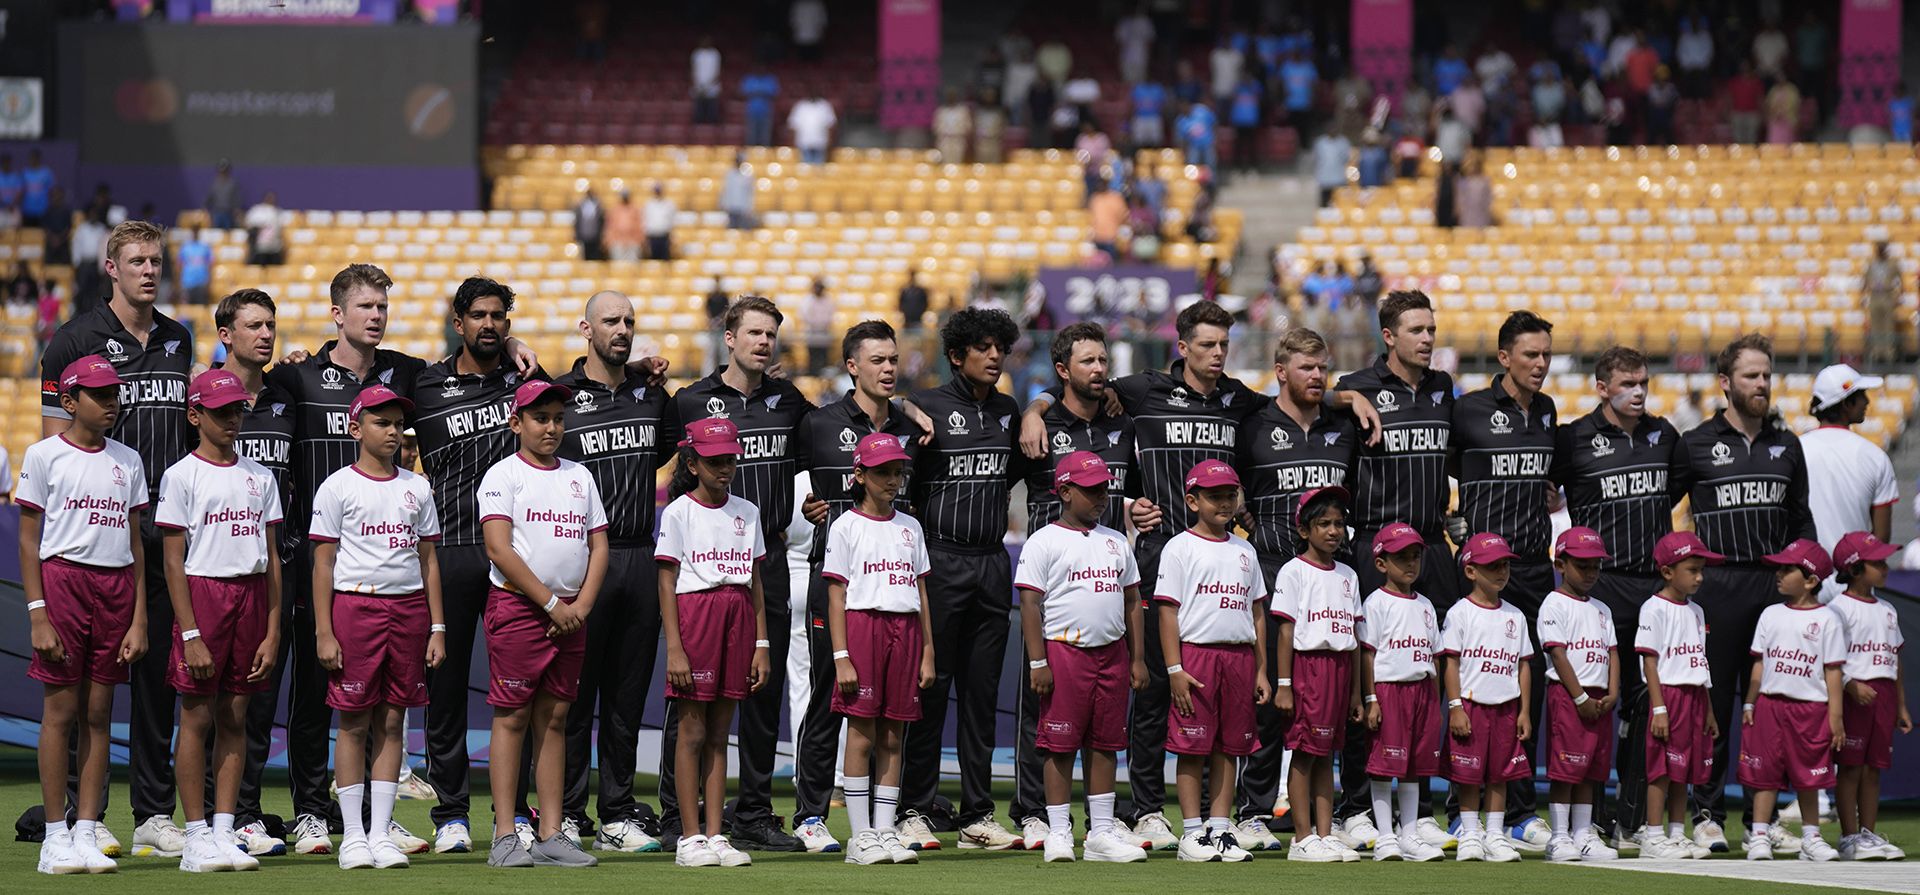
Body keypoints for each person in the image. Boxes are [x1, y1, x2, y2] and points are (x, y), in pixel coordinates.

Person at [1020, 299, 1258, 848]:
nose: (1218, 353)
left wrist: (1346, 394)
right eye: (1207, 344)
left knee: (1209, 693)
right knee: (1150, 694)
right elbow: (1077, 384)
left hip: (1218, 564)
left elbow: (1292, 399)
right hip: (1156, 558)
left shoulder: (1238, 398)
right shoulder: (1142, 391)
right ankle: (1147, 809)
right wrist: (1035, 408)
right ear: (1183, 347)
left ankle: (1218, 819)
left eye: (1224, 344)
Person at [39, 221, 193, 859]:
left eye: (156, 261)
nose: (149, 271)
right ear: (111, 267)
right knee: (83, 691)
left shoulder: (179, 337)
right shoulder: (73, 340)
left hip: (168, 531)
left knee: (158, 679)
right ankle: (84, 817)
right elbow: (55, 445)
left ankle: (153, 813)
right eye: (137, 261)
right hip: (100, 536)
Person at [264, 265, 427, 854]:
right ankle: (311, 810)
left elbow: (468, 371)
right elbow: (244, 389)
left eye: (382, 306)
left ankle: (375, 817)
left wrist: (511, 345)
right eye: (365, 306)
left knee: (384, 704)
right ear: (337, 314)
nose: (376, 316)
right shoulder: (297, 378)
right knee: (314, 691)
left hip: (384, 566)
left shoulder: (406, 373)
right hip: (317, 560)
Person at [664, 295, 815, 852]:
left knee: (760, 691)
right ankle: (678, 817)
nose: (763, 342)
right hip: (702, 569)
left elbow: (831, 440)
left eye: (770, 334)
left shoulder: (789, 401)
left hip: (764, 558)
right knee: (690, 697)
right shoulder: (690, 400)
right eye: (754, 332)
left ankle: (752, 812)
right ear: (729, 338)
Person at [415, 277, 552, 853]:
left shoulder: (527, 381)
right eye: (478, 315)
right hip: (448, 550)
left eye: (499, 316)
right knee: (445, 690)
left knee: (516, 696)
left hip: (512, 558)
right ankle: (450, 815)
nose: (489, 325)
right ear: (458, 323)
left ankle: (514, 812)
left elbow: (580, 394)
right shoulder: (422, 383)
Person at [790, 320, 922, 853]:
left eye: (893, 360)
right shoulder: (818, 424)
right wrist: (803, 510)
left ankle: (888, 823)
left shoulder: (911, 426)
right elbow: (783, 483)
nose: (888, 369)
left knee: (890, 715)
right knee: (829, 695)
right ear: (852, 366)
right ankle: (811, 815)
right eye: (877, 360)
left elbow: (917, 499)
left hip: (892, 588)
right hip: (837, 584)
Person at [1549, 345, 1690, 844]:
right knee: (1594, 703)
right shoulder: (1573, 439)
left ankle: (1632, 822)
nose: (1638, 392)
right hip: (1599, 588)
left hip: (1652, 589)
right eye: (1628, 383)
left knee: (1648, 706)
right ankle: (1590, 819)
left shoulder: (1664, 435)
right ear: (1602, 387)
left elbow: (1673, 492)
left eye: (1643, 383)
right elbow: (1545, 490)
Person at [555, 292, 679, 853]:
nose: (622, 328)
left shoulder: (652, 396)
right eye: (611, 320)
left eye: (630, 320)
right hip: (580, 560)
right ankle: (565, 812)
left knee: (627, 702)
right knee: (573, 700)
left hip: (638, 557)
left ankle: (617, 813)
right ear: (586, 328)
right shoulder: (560, 396)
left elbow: (678, 452)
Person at [897, 307, 1025, 850]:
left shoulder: (1008, 410)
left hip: (992, 563)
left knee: (981, 696)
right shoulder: (924, 407)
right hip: (940, 562)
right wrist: (904, 404)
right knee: (930, 689)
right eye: (983, 348)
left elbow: (1010, 477)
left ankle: (977, 814)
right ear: (956, 355)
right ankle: (914, 808)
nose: (995, 357)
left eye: (1001, 348)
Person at [1681, 333, 1813, 852]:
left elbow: (1801, 521)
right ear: (1725, 382)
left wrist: (1806, 580)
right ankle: (1707, 814)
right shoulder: (1694, 444)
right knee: (1713, 706)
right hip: (1717, 588)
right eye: (1751, 375)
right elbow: (1658, 505)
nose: (1762, 383)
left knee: (1773, 708)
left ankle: (1764, 819)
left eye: (1766, 375)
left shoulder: (1789, 445)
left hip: (1775, 589)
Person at [309, 384, 445, 870]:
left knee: (392, 720)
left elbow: (428, 560)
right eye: (381, 423)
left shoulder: (417, 487)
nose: (393, 432)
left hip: (408, 611)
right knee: (353, 721)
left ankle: (381, 832)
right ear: (355, 428)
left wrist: (438, 626)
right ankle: (353, 836)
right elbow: (323, 564)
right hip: (355, 607)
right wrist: (324, 630)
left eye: (398, 425)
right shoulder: (337, 486)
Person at [1007, 325, 1134, 843]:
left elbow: (1136, 488)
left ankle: (1105, 821)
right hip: (1051, 587)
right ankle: (1034, 812)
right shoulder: (1040, 422)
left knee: (1105, 722)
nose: (1099, 369)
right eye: (1087, 361)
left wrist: (1141, 508)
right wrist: (1033, 408)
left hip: (1106, 577)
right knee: (1039, 707)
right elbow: (1000, 483)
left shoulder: (1123, 422)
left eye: (1103, 360)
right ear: (1062, 370)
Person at [475, 379, 608, 869]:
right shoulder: (503, 475)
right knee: (512, 717)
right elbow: (498, 549)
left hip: (569, 615)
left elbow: (599, 545)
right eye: (540, 418)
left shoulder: (580, 476)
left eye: (558, 418)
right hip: (520, 609)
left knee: (555, 719)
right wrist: (554, 604)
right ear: (516, 423)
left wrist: (581, 607)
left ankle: (551, 833)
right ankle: (505, 834)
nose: (551, 427)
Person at [23, 356, 148, 875]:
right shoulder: (44, 455)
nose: (110, 402)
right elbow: (28, 541)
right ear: (70, 402)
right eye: (98, 394)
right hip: (63, 583)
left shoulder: (129, 460)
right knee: (60, 713)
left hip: (116, 588)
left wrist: (139, 618)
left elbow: (136, 545)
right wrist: (38, 614)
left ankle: (86, 830)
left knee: (99, 713)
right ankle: (55, 836)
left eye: (114, 393)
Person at [157, 369, 285, 873]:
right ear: (195, 415)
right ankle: (194, 836)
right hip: (203, 593)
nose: (232, 418)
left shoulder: (261, 476)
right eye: (220, 411)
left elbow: (272, 560)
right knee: (196, 716)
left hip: (251, 596)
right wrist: (190, 633)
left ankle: (224, 830)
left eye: (237, 410)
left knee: (236, 715)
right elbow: (173, 561)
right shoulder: (181, 475)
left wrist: (273, 630)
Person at [1233, 326, 1355, 848]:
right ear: (1281, 372)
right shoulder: (1253, 425)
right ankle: (1254, 812)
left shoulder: (1343, 427)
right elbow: (1229, 484)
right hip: (1269, 571)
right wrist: (1247, 524)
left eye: (1323, 367)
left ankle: (1341, 815)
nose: (1318, 375)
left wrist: (1349, 397)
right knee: (1267, 701)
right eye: (1307, 367)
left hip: (1327, 579)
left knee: (1327, 703)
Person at [1446, 310, 1556, 845]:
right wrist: (1453, 520)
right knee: (1472, 688)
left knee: (1523, 690)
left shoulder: (1548, 411)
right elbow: (1439, 467)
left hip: (1533, 568)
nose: (1541, 364)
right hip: (1481, 571)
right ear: (1504, 357)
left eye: (1547, 355)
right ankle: (1459, 809)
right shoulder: (1467, 410)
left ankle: (1520, 813)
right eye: (1531, 354)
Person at [1014, 451, 1148, 863]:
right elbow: (1030, 604)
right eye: (1091, 490)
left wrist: (1138, 658)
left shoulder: (1116, 541)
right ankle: (1058, 830)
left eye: (1105, 489)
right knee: (1060, 744)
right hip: (1064, 652)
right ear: (1065, 491)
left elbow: (1132, 600)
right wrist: (1038, 662)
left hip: (1112, 653)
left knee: (1106, 744)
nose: (1101, 497)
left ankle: (1101, 833)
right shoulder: (1044, 540)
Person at [657, 418, 770, 868]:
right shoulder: (678, 512)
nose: (725, 468)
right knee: (692, 731)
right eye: (714, 461)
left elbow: (756, 581)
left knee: (721, 734)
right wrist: (674, 648)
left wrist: (762, 643)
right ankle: (689, 838)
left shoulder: (748, 511)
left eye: (730, 460)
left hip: (738, 616)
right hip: (696, 616)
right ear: (692, 464)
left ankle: (716, 834)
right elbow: (666, 582)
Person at [213, 290, 302, 856]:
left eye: (271, 325)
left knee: (259, 699)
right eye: (253, 326)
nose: (266, 335)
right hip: (212, 570)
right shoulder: (200, 396)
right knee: (207, 704)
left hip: (275, 568)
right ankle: (198, 818)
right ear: (226, 334)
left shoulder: (286, 397)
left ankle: (243, 814)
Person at [824, 433, 934, 866]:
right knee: (862, 733)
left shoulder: (911, 527)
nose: (892, 480)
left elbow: (921, 593)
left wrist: (928, 651)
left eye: (897, 472)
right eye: (882, 472)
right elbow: (836, 595)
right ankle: (860, 836)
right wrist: (841, 656)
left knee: (894, 734)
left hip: (905, 632)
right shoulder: (845, 526)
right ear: (859, 475)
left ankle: (886, 830)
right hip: (863, 628)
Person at [1158, 459, 1268, 863]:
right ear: (1192, 501)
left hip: (1239, 657)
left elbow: (1257, 612)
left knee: (1230, 746)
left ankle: (1220, 830)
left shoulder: (1245, 549)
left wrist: (1261, 670)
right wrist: (1175, 669)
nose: (1224, 503)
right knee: (1192, 747)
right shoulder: (1179, 547)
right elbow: (1167, 611)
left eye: (1229, 495)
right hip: (1197, 656)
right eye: (1214, 496)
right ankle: (1192, 834)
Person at [1738, 539, 1845, 862]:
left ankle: (1811, 839)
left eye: (1787, 569)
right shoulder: (1770, 614)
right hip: (1769, 706)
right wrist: (1750, 702)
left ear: (1811, 580)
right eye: (1779, 568)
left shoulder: (1828, 619)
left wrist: (1835, 717)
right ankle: (1759, 835)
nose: (1779, 574)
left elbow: (1833, 671)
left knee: (1809, 777)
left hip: (1811, 709)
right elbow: (1759, 662)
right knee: (1765, 775)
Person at [1271, 486, 1362, 862]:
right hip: (1309, 670)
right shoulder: (1294, 571)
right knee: (1305, 753)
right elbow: (1286, 632)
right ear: (1304, 530)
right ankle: (1302, 837)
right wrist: (1284, 685)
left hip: (1340, 670)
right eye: (1324, 523)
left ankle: (1325, 834)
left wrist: (1356, 693)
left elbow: (1354, 638)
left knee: (1326, 755)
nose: (1333, 531)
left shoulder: (1348, 575)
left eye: (1338, 523)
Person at [1440, 532, 1533, 863]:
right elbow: (1450, 663)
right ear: (1470, 571)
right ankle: (1469, 833)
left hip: (1506, 707)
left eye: (1505, 565)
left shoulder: (1516, 616)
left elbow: (1523, 665)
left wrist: (1524, 711)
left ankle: (1494, 834)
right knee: (1468, 776)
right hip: (1471, 705)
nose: (1501, 572)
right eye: (1492, 565)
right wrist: (1455, 707)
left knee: (1501, 774)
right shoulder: (1460, 612)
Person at [1357, 523, 1446, 863]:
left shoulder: (1425, 605)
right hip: (1389, 691)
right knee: (1384, 765)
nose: (1410, 563)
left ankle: (1409, 834)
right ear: (1381, 563)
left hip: (1422, 692)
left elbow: (1434, 657)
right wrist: (1371, 699)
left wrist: (1435, 703)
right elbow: (1368, 654)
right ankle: (1385, 836)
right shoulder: (1376, 603)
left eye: (1415, 556)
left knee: (1414, 766)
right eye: (1401, 557)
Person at [1537, 527, 1621, 862]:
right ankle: (1559, 837)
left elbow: (1612, 651)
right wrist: (1580, 698)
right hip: (1569, 696)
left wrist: (1613, 692)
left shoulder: (1602, 609)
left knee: (1591, 770)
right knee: (1565, 769)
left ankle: (1584, 834)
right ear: (1560, 564)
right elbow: (1558, 655)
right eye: (1582, 565)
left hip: (1599, 700)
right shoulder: (1554, 603)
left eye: (1595, 566)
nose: (1590, 572)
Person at [1636, 531, 1720, 859]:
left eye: (1701, 570)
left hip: (1695, 697)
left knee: (1684, 771)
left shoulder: (1697, 611)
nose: (1699, 577)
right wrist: (1659, 708)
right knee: (1661, 769)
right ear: (1668, 571)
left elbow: (1700, 661)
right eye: (1692, 570)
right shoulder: (1653, 608)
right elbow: (1650, 662)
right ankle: (1653, 836)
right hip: (1668, 696)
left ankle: (1676, 833)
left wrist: (1708, 708)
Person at [1827, 531, 1910, 860]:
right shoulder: (1838, 609)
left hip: (1883, 697)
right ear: (1854, 568)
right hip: (1853, 697)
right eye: (1878, 563)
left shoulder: (1888, 609)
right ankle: (1849, 837)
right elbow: (1829, 657)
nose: (1885, 568)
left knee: (1873, 769)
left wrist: (1901, 706)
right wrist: (1850, 684)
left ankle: (1868, 835)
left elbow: (1895, 659)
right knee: (1850, 768)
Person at [1803, 364, 1898, 603]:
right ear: (1846, 403)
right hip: (1854, 585)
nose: (1867, 401)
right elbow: (1881, 538)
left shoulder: (1795, 451)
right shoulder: (1875, 457)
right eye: (1861, 395)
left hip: (1803, 582)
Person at [1861, 244, 1902, 366]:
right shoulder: (1871, 263)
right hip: (1874, 295)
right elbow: (1865, 279)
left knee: (1888, 325)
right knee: (1875, 325)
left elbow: (1900, 279)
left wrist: (1899, 295)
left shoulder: (1893, 263)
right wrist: (1862, 294)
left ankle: (1889, 353)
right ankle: (1877, 352)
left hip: (1887, 294)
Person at [789, 96, 837, 165]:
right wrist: (793, 142)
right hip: (804, 144)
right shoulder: (800, 106)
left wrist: (829, 141)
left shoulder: (825, 106)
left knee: (819, 168)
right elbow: (793, 125)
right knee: (805, 167)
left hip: (820, 144)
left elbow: (830, 124)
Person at [1311, 130, 1351, 207]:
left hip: (1339, 179)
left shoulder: (1343, 142)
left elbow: (1346, 158)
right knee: (1325, 205)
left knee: (1340, 204)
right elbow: (1316, 159)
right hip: (1325, 180)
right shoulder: (1320, 142)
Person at [741, 69, 780, 147]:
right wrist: (762, 91)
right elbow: (744, 91)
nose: (760, 69)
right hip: (752, 112)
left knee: (765, 137)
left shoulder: (770, 79)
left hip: (766, 112)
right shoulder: (750, 78)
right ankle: (751, 153)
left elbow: (773, 92)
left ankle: (764, 154)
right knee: (751, 137)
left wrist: (756, 91)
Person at [244, 193, 284, 266]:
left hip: (274, 248)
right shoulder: (256, 211)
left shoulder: (277, 212)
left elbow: (280, 229)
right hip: (258, 248)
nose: (270, 200)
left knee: (273, 268)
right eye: (269, 198)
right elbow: (249, 225)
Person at [935, 88, 973, 163]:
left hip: (958, 139)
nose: (951, 97)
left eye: (953, 95)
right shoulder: (941, 111)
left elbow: (968, 126)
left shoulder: (963, 111)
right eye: (949, 95)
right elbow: (936, 127)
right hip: (945, 140)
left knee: (958, 161)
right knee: (945, 161)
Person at [691, 36, 722, 124]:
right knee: (698, 112)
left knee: (712, 112)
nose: (705, 43)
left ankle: (712, 126)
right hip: (699, 87)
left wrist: (709, 84)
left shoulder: (715, 54)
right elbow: (693, 70)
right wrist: (697, 84)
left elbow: (717, 71)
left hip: (712, 86)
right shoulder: (696, 54)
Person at [720, 153, 756, 229]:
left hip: (743, 208)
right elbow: (725, 190)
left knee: (743, 229)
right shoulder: (729, 174)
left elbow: (750, 192)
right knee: (732, 229)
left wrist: (750, 207)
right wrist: (723, 203)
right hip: (731, 207)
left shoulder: (747, 175)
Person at [177, 229, 212, 306]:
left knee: (200, 307)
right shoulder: (185, 247)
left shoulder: (205, 247)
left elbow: (209, 265)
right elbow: (179, 265)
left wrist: (208, 281)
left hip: (201, 282)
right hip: (187, 282)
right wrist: (179, 282)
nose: (195, 234)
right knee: (186, 307)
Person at [604, 192, 642, 263]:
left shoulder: (635, 209)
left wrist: (638, 240)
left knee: (632, 266)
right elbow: (610, 227)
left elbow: (639, 227)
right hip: (617, 243)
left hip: (632, 243)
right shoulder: (615, 210)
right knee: (618, 266)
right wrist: (610, 241)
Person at [21, 149, 54, 228]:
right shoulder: (25, 172)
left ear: (39, 158)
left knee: (41, 233)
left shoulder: (46, 172)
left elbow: (52, 191)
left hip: (43, 210)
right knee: (28, 233)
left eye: (35, 157)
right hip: (27, 210)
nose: (33, 160)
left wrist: (50, 207)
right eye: (31, 158)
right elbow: (21, 191)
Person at [643, 185, 676, 261]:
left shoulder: (669, 204)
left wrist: (672, 234)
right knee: (654, 258)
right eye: (656, 191)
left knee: (665, 258)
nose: (658, 193)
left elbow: (672, 220)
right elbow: (645, 220)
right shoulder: (649, 204)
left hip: (664, 235)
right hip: (652, 235)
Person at [206, 161, 240, 230]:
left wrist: (236, 209)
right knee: (216, 232)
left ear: (228, 172)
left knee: (227, 232)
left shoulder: (232, 184)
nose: (223, 173)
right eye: (221, 171)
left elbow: (236, 198)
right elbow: (209, 197)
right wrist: (205, 207)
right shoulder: (215, 184)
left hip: (228, 213)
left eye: (225, 171)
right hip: (217, 212)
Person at [574, 190, 605, 262]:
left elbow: (601, 221)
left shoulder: (597, 206)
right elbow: (577, 221)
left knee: (595, 257)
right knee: (586, 256)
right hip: (584, 236)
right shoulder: (581, 206)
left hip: (595, 237)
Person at [897, 270, 929, 335]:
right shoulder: (904, 290)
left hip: (918, 320)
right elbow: (900, 304)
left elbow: (925, 303)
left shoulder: (921, 291)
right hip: (907, 320)